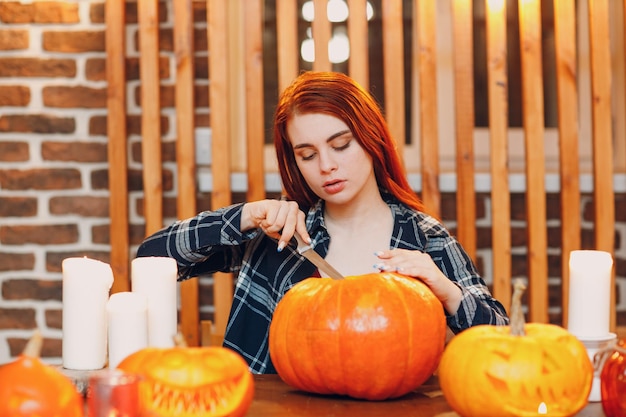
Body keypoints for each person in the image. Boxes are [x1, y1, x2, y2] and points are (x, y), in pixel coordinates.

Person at [136, 71, 509, 373]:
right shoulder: (277, 233)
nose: (326, 165)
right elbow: (151, 258)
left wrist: (447, 291)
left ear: (371, 138)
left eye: (341, 145)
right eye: (307, 154)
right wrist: (245, 216)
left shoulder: (427, 239)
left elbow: (504, 344)